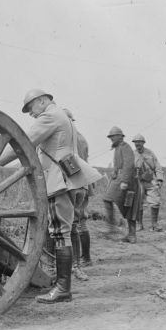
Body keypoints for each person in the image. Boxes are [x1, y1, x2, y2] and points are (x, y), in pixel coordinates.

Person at [0, 89, 102, 303]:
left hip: (58, 180)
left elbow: (24, 142)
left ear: (43, 101)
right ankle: (62, 285)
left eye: (31, 109)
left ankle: (63, 289)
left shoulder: (50, 116)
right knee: (64, 230)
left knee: (60, 232)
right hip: (68, 176)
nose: (31, 114)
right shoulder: (61, 116)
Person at [64, 108, 92, 278]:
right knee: (78, 223)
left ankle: (76, 264)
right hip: (81, 183)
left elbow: (74, 164)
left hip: (74, 183)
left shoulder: (72, 139)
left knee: (74, 224)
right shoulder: (80, 138)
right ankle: (81, 261)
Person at [103, 127, 142, 243]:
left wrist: (124, 181)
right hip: (120, 179)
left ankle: (129, 234)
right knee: (109, 200)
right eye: (110, 137)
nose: (111, 139)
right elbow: (119, 165)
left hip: (128, 182)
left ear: (120, 136)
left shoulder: (126, 147)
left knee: (130, 207)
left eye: (113, 136)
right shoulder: (118, 148)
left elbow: (129, 165)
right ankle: (115, 229)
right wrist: (114, 173)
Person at [132, 134, 164, 231]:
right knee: (137, 202)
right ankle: (139, 224)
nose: (137, 144)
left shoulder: (150, 153)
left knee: (155, 201)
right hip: (138, 181)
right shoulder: (132, 154)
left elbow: (157, 166)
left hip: (150, 180)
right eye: (135, 142)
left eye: (139, 142)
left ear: (143, 143)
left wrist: (159, 179)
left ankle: (154, 224)